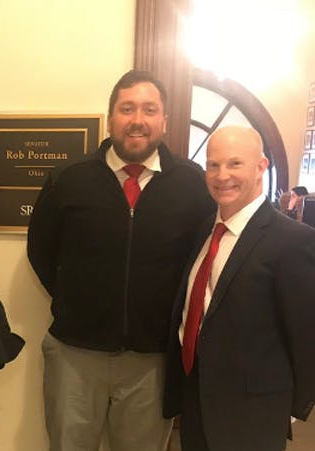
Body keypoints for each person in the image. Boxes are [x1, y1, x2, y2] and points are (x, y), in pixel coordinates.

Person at [27, 69, 215, 451]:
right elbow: (41, 251)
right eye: (127, 108)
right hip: (75, 356)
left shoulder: (193, 185)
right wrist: (77, 302)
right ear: (111, 117)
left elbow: (201, 264)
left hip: (153, 361)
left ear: (164, 121)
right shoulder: (69, 178)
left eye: (149, 109)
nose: (138, 120)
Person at [163, 126, 315, 451]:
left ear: (260, 167)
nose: (222, 176)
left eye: (235, 164)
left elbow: (306, 336)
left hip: (253, 416)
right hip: (197, 400)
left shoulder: (292, 241)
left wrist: (284, 410)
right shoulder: (205, 228)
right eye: (213, 164)